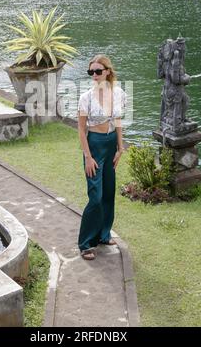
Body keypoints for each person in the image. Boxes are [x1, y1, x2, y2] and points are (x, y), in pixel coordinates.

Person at [77, 54, 126, 261]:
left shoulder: (118, 93)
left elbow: (118, 121)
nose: (94, 75)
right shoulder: (86, 97)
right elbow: (81, 130)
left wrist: (120, 148)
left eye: (98, 71)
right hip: (95, 145)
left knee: (108, 193)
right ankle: (86, 243)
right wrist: (88, 157)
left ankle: (104, 234)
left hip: (110, 144)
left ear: (107, 71)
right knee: (95, 197)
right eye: (91, 72)